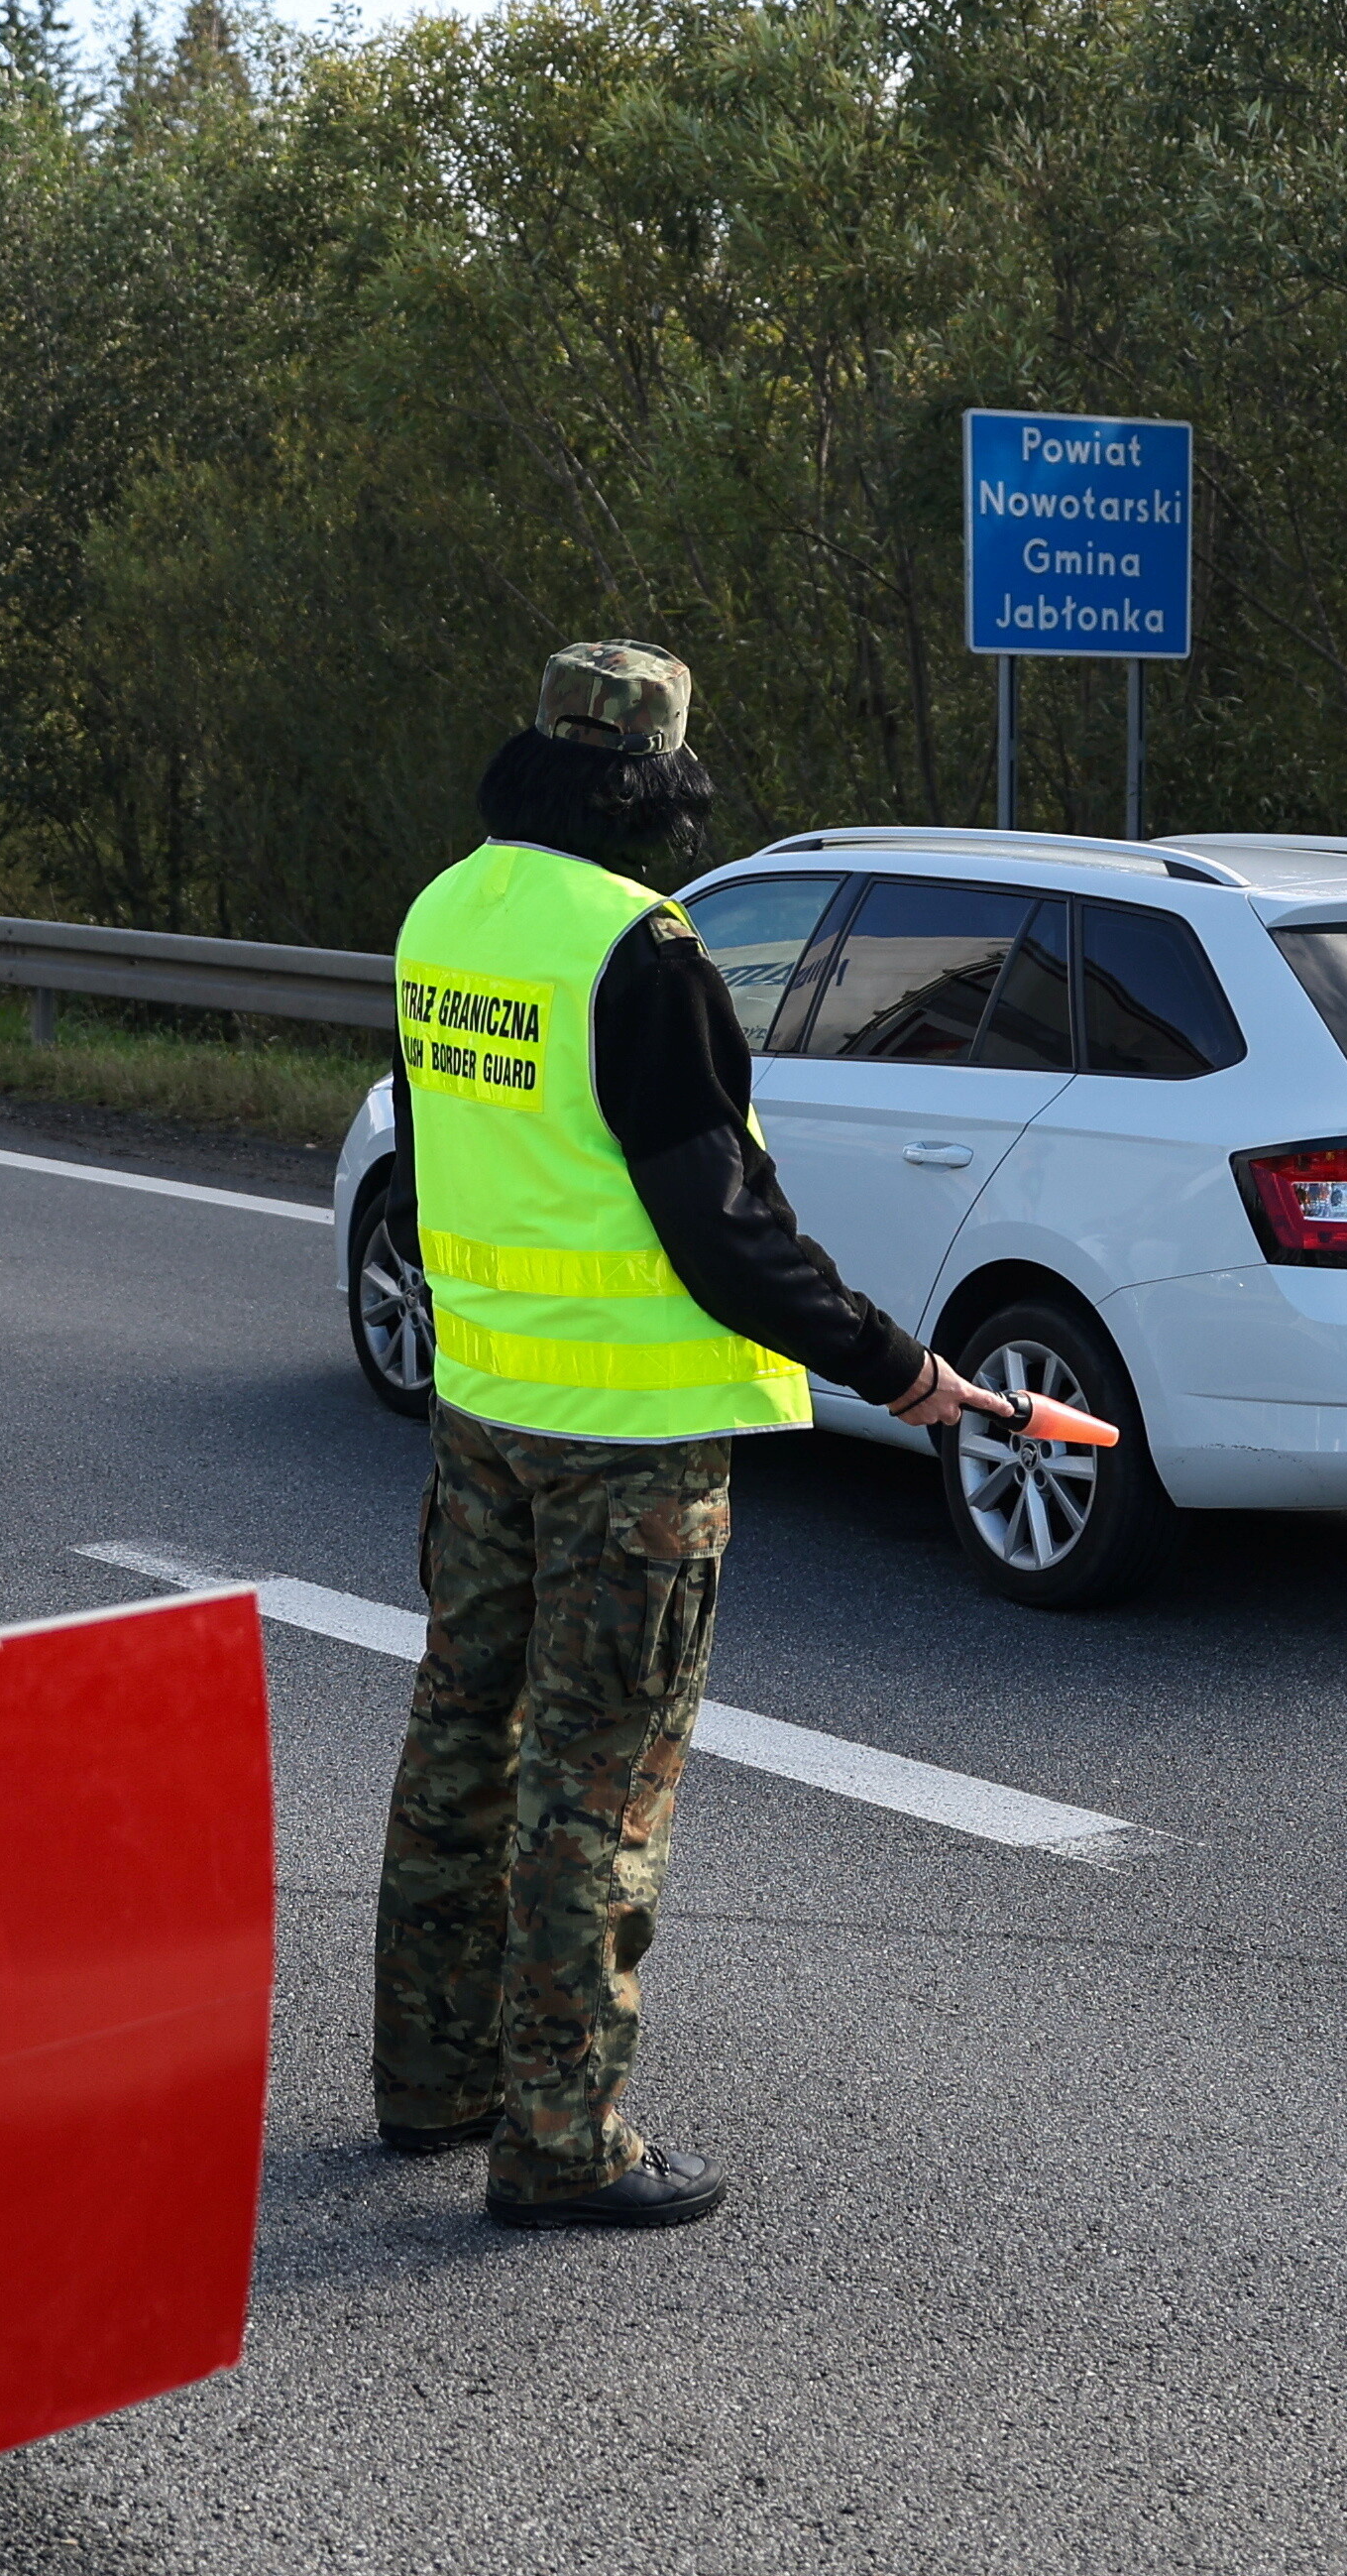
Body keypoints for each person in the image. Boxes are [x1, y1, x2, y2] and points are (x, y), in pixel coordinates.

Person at [372, 642, 1010, 2233]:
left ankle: (433, 2081)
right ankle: (565, 2141)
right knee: (599, 1785)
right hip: (632, 1443)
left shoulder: (443, 911)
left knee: (461, 1745)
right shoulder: (641, 954)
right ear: (648, 785)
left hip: (483, 1409)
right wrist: (900, 1368)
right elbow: (721, 1233)